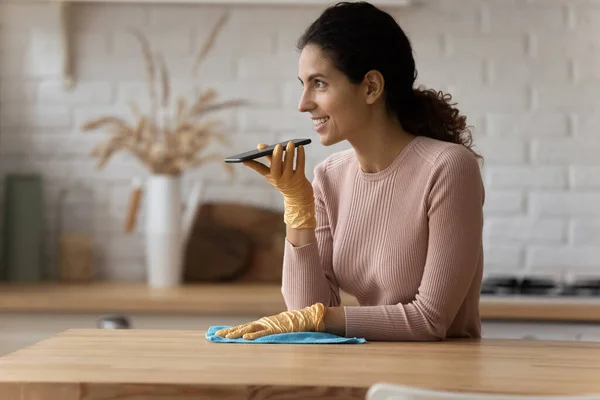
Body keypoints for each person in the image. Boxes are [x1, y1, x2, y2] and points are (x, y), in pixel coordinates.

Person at [216, 1, 485, 342]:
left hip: (436, 381)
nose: (303, 103)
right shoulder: (330, 175)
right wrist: (298, 207)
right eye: (303, 84)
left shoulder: (448, 167)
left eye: (319, 84)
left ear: (371, 87)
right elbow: (309, 312)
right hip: (361, 370)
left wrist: (315, 317)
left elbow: (430, 320)